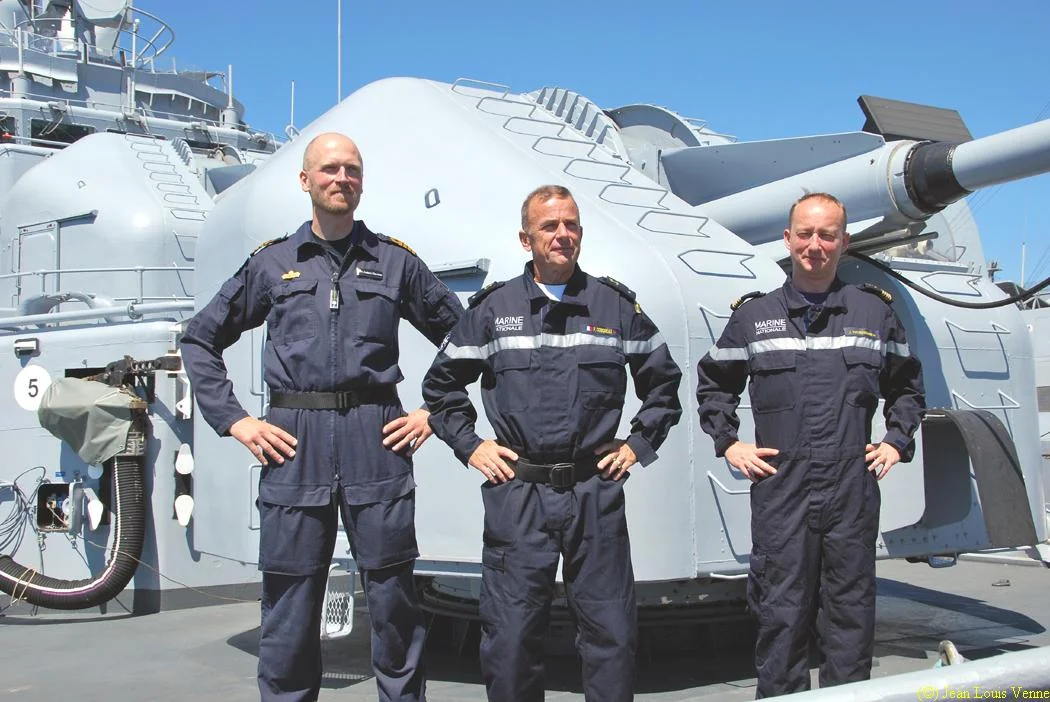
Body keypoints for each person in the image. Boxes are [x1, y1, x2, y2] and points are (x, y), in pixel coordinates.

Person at [181, 132, 463, 702]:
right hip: (294, 443)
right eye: (330, 169)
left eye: (352, 170)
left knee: (393, 600)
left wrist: (433, 411)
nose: (342, 178)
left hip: (375, 439)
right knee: (289, 604)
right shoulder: (273, 263)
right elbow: (200, 339)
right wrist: (236, 420)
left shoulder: (394, 262)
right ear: (305, 180)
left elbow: (467, 339)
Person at [422, 185, 683, 702]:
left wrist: (638, 444)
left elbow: (664, 385)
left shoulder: (615, 306)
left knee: (611, 635)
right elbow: (440, 387)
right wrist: (472, 446)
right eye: (549, 226)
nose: (563, 235)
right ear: (526, 239)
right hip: (520, 495)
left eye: (571, 225)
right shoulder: (493, 310)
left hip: (593, 491)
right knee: (511, 638)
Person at [695, 192, 925, 697]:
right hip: (783, 490)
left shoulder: (873, 311)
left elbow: (907, 386)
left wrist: (895, 441)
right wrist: (729, 443)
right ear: (788, 239)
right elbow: (714, 384)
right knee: (781, 613)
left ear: (844, 242)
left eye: (826, 235)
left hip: (850, 487)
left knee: (850, 613)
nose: (814, 245)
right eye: (805, 234)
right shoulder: (754, 317)